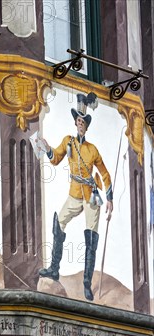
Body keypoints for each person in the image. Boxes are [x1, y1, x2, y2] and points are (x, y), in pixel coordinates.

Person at [37, 92, 113, 301]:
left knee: (91, 237)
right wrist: (46, 147)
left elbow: (105, 174)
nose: (81, 124)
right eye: (78, 121)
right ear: (75, 122)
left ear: (86, 126)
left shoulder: (92, 149)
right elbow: (55, 159)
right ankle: (54, 268)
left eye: (84, 122)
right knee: (58, 222)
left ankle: (86, 283)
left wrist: (110, 199)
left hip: (90, 196)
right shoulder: (68, 141)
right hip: (74, 193)